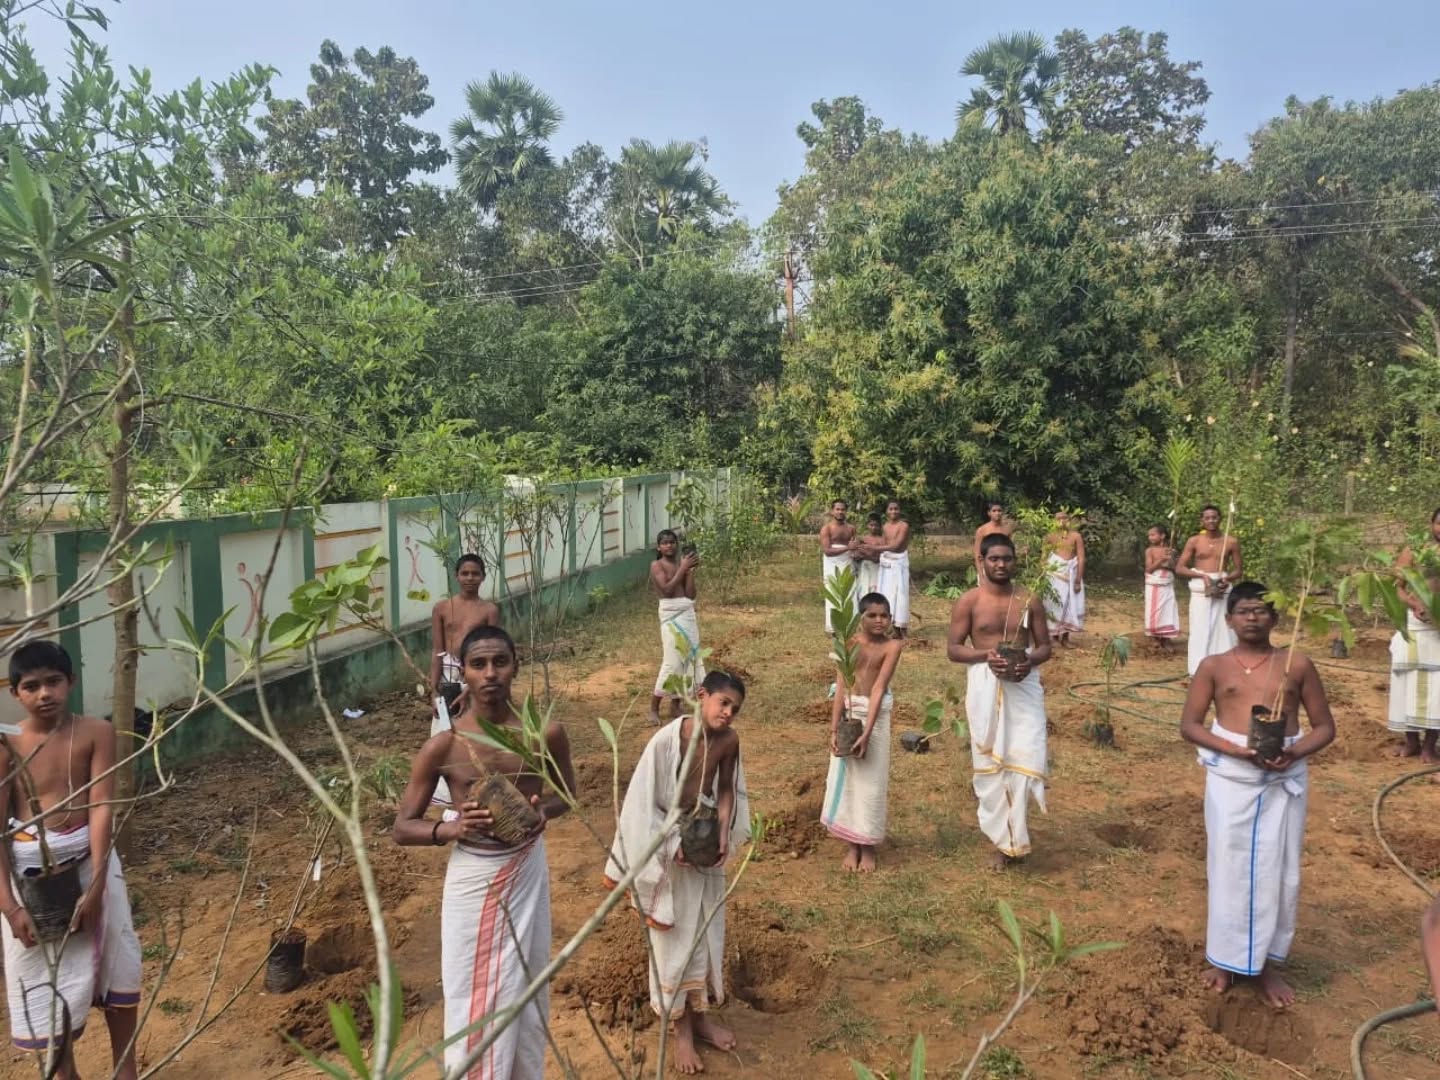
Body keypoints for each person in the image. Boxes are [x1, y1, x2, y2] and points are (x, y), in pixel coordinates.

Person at [393, 625, 576, 1079]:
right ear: (465, 673)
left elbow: (568, 795)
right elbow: (402, 827)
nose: (490, 673)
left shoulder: (544, 734)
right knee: (470, 990)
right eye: (478, 664)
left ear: (515, 666)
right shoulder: (445, 746)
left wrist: (541, 811)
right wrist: (451, 828)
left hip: (526, 871)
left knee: (527, 987)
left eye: (500, 662)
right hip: (473, 880)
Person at [1179, 582, 1336, 1008]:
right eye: (1244, 611)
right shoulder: (1214, 666)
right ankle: (1225, 960)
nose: (1252, 618)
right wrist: (1233, 749)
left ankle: (1266, 964)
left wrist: (1293, 751)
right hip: (1233, 778)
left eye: (1261, 611)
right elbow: (1190, 724)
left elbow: (1324, 726)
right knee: (1228, 867)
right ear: (1228, 619)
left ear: (1276, 618)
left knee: (1277, 870)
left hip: (1282, 779)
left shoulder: (1296, 665)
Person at [0, 642, 141, 1079]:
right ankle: (65, 1075)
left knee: (119, 961)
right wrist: (10, 907)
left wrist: (96, 884)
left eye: (54, 681)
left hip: (89, 860)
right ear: (14, 692)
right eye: (32, 685)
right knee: (41, 981)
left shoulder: (97, 731)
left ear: (71, 683)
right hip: (28, 874)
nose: (45, 693)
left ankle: (125, 1070)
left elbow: (100, 808)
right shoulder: (6, 743)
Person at [604, 672, 750, 1077]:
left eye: (735, 708)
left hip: (701, 838)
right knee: (675, 940)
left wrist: (721, 832)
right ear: (700, 696)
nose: (727, 712)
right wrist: (671, 846)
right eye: (722, 702)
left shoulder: (728, 741)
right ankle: (682, 1031)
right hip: (664, 841)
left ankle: (700, 1018)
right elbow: (641, 804)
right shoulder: (666, 742)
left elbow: (726, 790)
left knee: (703, 930)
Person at [947, 534, 1053, 869]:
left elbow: (1045, 646)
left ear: (1014, 560)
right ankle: (1004, 842)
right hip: (984, 685)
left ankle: (1015, 835)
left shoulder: (1028, 599)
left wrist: (1029, 662)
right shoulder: (970, 601)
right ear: (982, 560)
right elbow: (954, 649)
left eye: (1007, 559)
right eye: (994, 559)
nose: (1001, 565)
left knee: (1026, 756)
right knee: (993, 766)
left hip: (1024, 687)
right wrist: (984, 655)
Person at [822, 593, 903, 873]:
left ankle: (867, 845)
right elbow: (841, 685)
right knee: (846, 779)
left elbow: (879, 687)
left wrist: (867, 732)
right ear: (860, 619)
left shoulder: (893, 646)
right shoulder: (849, 643)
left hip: (874, 716)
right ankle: (851, 843)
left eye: (885, 615)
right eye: (872, 615)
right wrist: (834, 729)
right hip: (848, 712)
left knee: (871, 781)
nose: (880, 621)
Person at [428, 554, 502, 807]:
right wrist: (433, 689)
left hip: (476, 676)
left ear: (483, 577)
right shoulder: (442, 608)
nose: (470, 578)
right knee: (444, 734)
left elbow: (493, 650)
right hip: (448, 680)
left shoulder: (489, 610)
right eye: (465, 573)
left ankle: (475, 793)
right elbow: (437, 652)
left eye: (475, 573)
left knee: (473, 735)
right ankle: (447, 799)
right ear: (456, 576)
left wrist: (471, 688)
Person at [1389, 507, 1440, 763]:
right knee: (1406, 681)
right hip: (1414, 624)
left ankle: (1430, 745)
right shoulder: (1415, 551)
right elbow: (1396, 587)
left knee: (1437, 688)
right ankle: (1411, 742)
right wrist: (1414, 604)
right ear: (1431, 525)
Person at [1177, 505, 1243, 677]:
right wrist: (1202, 577)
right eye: (1207, 518)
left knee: (1224, 628)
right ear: (1202, 520)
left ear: (1220, 519)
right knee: (1199, 628)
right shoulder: (1194, 541)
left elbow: (1238, 570)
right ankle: (1198, 670)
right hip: (1201, 589)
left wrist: (1226, 579)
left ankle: (1225, 667)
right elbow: (1180, 568)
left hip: (1222, 587)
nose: (1211, 521)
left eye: (1214, 517)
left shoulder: (1231, 541)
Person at [650, 529, 705, 726]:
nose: (669, 546)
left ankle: (676, 704)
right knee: (671, 662)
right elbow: (666, 589)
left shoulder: (681, 564)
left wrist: (689, 571)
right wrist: (683, 568)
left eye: (672, 542)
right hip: (671, 615)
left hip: (687, 613)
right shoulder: (657, 565)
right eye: (664, 543)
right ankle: (654, 707)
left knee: (688, 660)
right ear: (658, 547)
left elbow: (690, 595)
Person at [862, 499, 912, 639]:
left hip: (899, 562)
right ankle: (890, 628)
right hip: (887, 563)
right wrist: (863, 549)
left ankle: (902, 628)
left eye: (896, 509)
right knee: (887, 594)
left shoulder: (903, 526)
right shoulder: (885, 527)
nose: (893, 511)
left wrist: (874, 548)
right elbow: (884, 544)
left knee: (900, 595)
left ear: (899, 510)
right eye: (890, 509)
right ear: (886, 511)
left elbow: (896, 546)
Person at [1044, 511, 1086, 647]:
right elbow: (1043, 557)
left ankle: (1066, 637)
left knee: (1070, 605)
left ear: (1069, 521)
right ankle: (1054, 636)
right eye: (1058, 518)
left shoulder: (1076, 536)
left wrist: (1078, 580)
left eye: (1065, 518)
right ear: (1054, 521)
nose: (1062, 521)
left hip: (1071, 574)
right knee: (1054, 604)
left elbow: (1081, 558)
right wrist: (1042, 574)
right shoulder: (1049, 536)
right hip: (1054, 574)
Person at [820, 500, 857, 633]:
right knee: (833, 591)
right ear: (832, 511)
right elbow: (827, 551)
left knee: (850, 592)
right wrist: (848, 548)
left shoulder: (851, 528)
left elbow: (854, 548)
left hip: (848, 562)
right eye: (837, 509)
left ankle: (849, 625)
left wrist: (856, 551)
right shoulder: (827, 528)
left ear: (846, 511)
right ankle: (833, 627)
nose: (840, 512)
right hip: (832, 564)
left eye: (842, 509)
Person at [1144, 525, 1180, 653]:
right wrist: (1161, 560)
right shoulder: (1150, 551)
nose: (1150, 537)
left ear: (1162, 535)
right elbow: (1149, 569)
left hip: (1167, 584)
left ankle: (1166, 638)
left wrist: (1171, 559)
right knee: (1154, 610)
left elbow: (1176, 569)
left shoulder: (1171, 550)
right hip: (1154, 583)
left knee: (1167, 610)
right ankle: (1155, 637)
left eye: (1153, 534)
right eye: (1149, 535)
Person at [973, 502, 1012, 576]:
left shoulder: (1007, 530)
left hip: (1003, 566)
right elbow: (977, 553)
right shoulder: (982, 530)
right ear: (989, 513)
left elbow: (1010, 549)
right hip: (987, 567)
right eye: (994, 511)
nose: (997, 513)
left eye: (999, 510)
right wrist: (981, 574)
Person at [854, 514, 883, 598]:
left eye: (876, 525)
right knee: (863, 588)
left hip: (876, 567)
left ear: (880, 526)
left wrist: (868, 555)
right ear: (867, 525)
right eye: (871, 525)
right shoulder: (863, 539)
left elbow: (879, 558)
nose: (873, 528)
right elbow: (857, 554)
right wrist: (857, 555)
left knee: (874, 588)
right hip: (864, 567)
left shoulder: (881, 540)